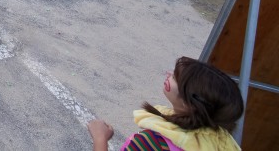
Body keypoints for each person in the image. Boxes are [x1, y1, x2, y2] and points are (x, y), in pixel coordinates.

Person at [87, 56, 242, 151]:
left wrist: (100, 139)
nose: (168, 73)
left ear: (190, 104)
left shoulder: (153, 143)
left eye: (175, 77)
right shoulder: (221, 141)